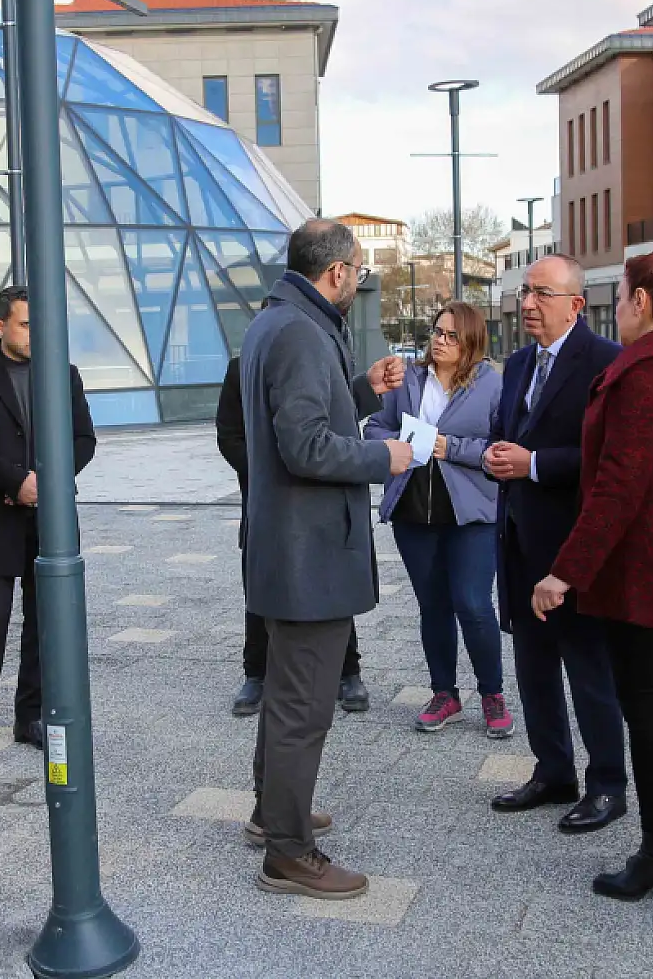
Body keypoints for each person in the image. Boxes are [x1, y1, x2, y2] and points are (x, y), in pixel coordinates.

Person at [532, 240, 653, 905]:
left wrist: (564, 572)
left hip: (645, 572)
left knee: (650, 714)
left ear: (642, 301)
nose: (616, 310)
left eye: (619, 297)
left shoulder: (647, 373)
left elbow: (617, 488)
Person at [241, 218, 413, 899]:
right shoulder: (301, 333)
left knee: (288, 694)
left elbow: (306, 415)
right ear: (336, 272)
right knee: (303, 706)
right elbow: (307, 446)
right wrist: (384, 455)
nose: (357, 282)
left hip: (290, 550)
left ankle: (270, 813)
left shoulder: (278, 321)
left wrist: (362, 389)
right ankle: (288, 851)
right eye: (358, 272)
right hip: (306, 554)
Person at [483, 254, 629, 834]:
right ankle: (552, 770)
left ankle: (608, 785)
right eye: (525, 292)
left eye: (542, 293)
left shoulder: (605, 363)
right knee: (534, 665)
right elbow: (512, 435)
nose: (528, 303)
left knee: (589, 669)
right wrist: (501, 455)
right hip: (518, 538)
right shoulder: (518, 363)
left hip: (574, 549)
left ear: (576, 303)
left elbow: (608, 459)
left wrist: (534, 464)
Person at [0, 286, 97, 775]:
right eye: (26, 324)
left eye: (41, 324)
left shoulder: (64, 374)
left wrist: (45, 484)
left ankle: (29, 717)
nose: (35, 333)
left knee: (43, 622)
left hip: (47, 516)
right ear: (0, 326)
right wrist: (15, 481)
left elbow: (83, 439)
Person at [365, 301, 511, 737]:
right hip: (415, 509)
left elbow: (500, 446)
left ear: (471, 342)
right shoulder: (408, 378)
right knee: (433, 606)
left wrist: (450, 447)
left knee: (473, 603)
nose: (440, 341)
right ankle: (444, 693)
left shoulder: (492, 385)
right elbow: (374, 429)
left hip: (473, 513)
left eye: (451, 335)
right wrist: (403, 444)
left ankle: (492, 693)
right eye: (437, 332)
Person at [217, 317, 369, 719]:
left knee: (333, 587)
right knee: (261, 588)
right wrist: (266, 469)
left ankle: (347, 670)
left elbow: (333, 414)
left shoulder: (324, 354)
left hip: (316, 502)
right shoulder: (242, 366)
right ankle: (257, 673)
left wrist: (370, 389)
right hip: (267, 501)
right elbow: (229, 434)